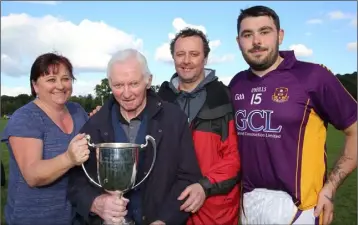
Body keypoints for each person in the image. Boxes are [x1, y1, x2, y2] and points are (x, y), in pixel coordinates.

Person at [229, 5, 357, 225]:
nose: (256, 41)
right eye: (247, 34)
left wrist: (330, 187)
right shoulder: (237, 84)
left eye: (265, 31)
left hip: (301, 209)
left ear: (280, 35)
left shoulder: (313, 76)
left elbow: (354, 131)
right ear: (238, 41)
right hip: (249, 205)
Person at [67, 48, 203, 225]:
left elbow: (187, 178)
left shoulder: (174, 119)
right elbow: (76, 182)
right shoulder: (94, 124)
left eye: (133, 84)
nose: (126, 93)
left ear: (148, 81)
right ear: (109, 84)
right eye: (118, 85)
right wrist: (95, 203)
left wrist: (165, 220)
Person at [158, 28, 241, 225]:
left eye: (194, 54)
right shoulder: (160, 100)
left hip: (214, 211)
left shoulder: (224, 98)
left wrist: (205, 186)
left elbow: (235, 158)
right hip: (169, 209)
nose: (186, 60)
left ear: (206, 57)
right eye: (180, 54)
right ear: (173, 57)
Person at [1, 53, 91, 225]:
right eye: (51, 79)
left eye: (66, 78)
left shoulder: (77, 111)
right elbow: (32, 174)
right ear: (35, 85)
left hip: (76, 215)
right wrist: (69, 158)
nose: (60, 85)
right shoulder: (25, 118)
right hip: (34, 218)